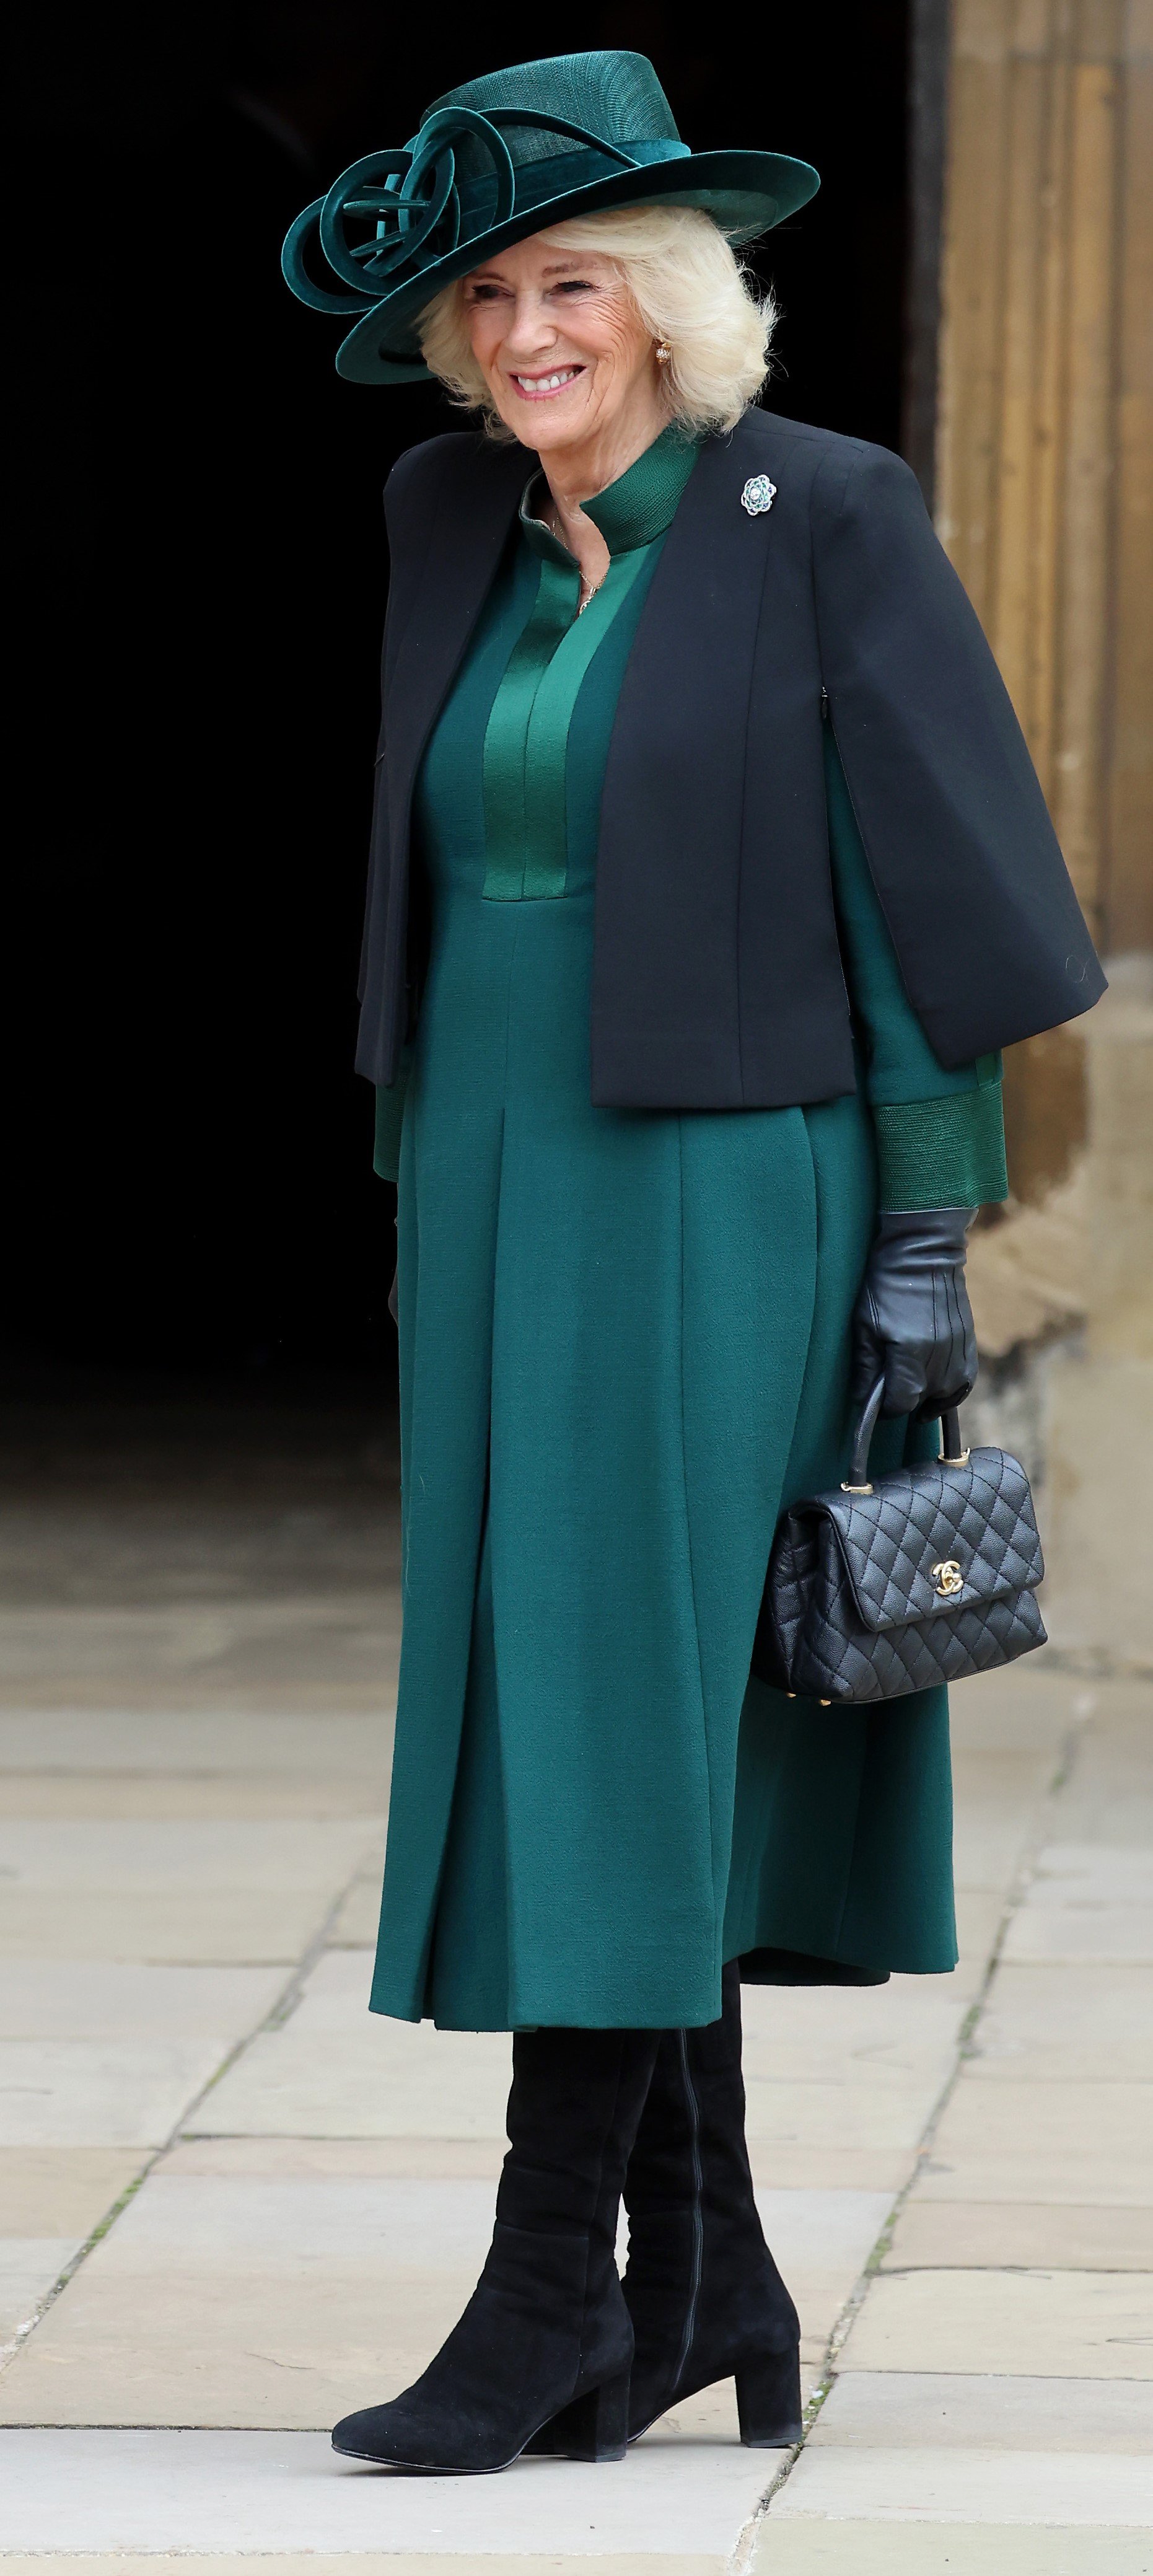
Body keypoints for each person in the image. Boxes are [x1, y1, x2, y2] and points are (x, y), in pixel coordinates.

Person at [283, 50, 1104, 2476]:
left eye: (576, 288)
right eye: (496, 296)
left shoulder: (813, 513)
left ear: (666, 308)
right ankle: (711, 2266)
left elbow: (922, 904)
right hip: (502, 1169)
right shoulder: (452, 516)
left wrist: (927, 1237)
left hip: (731, 1184)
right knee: (583, 1696)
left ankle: (550, 2280)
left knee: (637, 1707)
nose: (533, 332)